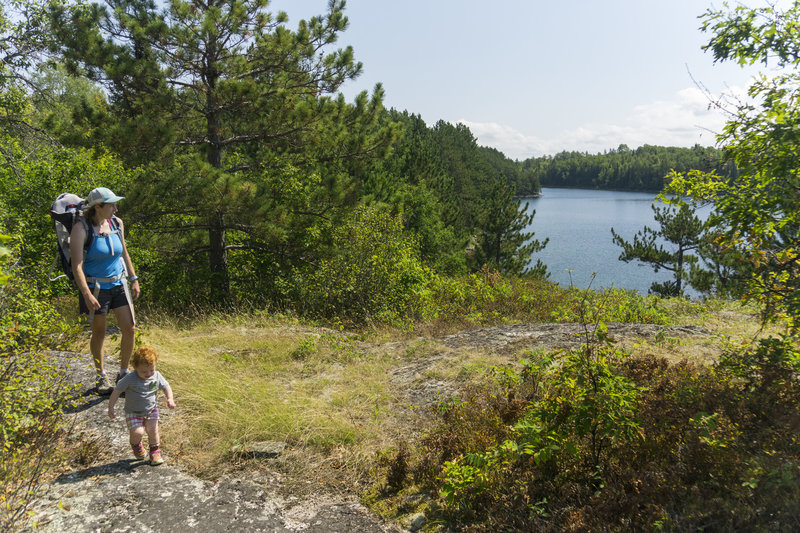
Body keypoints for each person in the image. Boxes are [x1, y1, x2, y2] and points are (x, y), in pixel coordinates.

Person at [70, 187, 140, 394]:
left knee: (130, 328)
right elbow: (77, 266)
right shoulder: (80, 229)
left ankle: (123, 373)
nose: (116, 209)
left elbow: (124, 253)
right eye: (111, 205)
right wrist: (86, 293)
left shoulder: (117, 224)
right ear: (98, 207)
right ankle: (101, 377)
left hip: (119, 284)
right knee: (99, 332)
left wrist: (134, 278)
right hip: (96, 287)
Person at [108, 346, 176, 465]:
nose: (148, 374)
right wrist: (111, 407)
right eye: (144, 371)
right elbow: (117, 390)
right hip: (133, 412)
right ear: (135, 367)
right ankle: (136, 445)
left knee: (152, 430)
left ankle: (155, 452)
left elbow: (166, 386)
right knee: (137, 433)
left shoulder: (156, 376)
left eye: (151, 370)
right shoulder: (129, 378)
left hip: (151, 410)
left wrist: (170, 398)